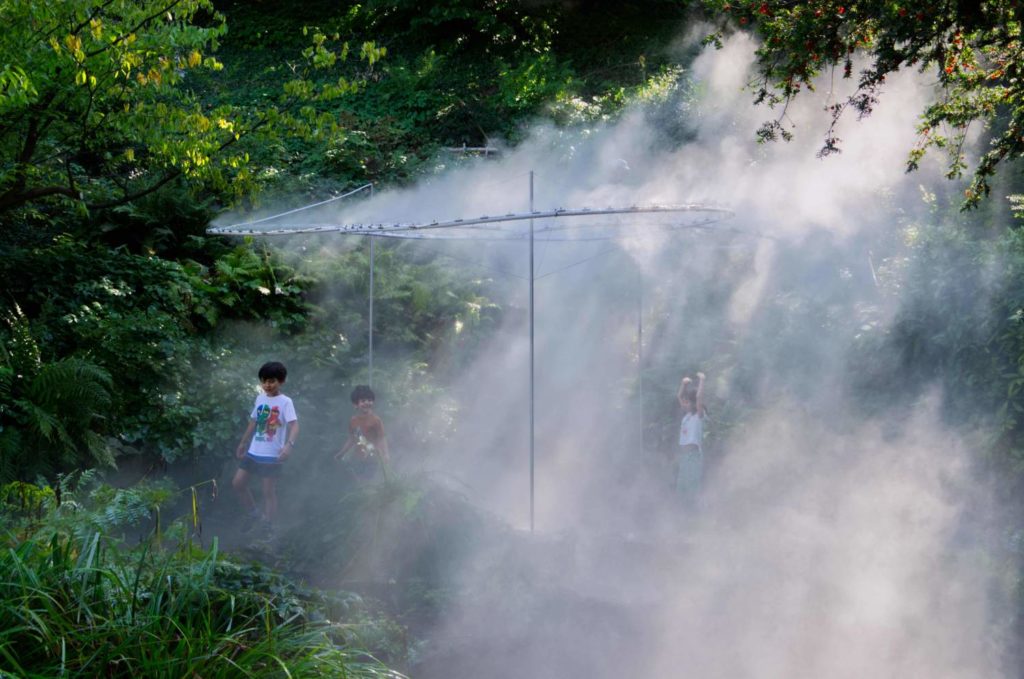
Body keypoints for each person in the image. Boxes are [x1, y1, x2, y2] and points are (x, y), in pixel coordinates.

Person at [232, 361, 299, 533]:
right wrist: (243, 442)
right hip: (254, 451)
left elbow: (295, 425)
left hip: (272, 455)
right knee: (238, 483)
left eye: (271, 381)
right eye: (264, 381)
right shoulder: (260, 398)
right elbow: (254, 421)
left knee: (268, 491)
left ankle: (269, 527)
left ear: (281, 381)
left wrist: (289, 446)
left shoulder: (285, 402)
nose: (267, 385)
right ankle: (254, 513)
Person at [335, 384, 390, 481]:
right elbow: (352, 439)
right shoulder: (353, 421)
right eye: (363, 401)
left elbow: (382, 438)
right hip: (358, 457)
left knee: (366, 481)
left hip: (373, 458)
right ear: (356, 404)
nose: (367, 403)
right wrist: (341, 453)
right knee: (357, 481)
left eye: (369, 400)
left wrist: (386, 454)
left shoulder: (376, 420)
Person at [675, 371, 706, 506]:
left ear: (693, 403)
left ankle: (695, 510)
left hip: (694, 455)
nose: (685, 403)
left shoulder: (699, 416)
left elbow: (699, 397)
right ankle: (684, 511)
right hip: (684, 455)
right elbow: (679, 396)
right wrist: (683, 384)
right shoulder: (686, 416)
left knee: (693, 484)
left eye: (688, 401)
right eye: (685, 401)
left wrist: (702, 381)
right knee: (682, 485)